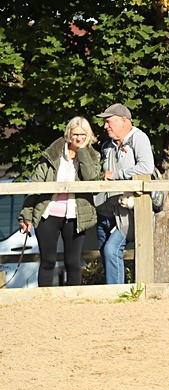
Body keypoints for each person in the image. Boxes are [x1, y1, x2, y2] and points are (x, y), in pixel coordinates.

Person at [18, 118, 103, 286]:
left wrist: (82, 151)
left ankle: (73, 303)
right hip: (48, 213)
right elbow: (35, 185)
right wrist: (25, 216)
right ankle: (46, 300)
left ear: (89, 136)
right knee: (48, 261)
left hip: (75, 215)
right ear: (68, 134)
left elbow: (91, 179)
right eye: (75, 134)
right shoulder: (52, 155)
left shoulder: (93, 155)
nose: (78, 138)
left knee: (73, 263)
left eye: (83, 134)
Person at [93, 103, 155, 284]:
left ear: (123, 121)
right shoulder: (107, 146)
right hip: (106, 209)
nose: (105, 126)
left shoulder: (139, 138)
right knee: (105, 250)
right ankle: (114, 289)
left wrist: (116, 176)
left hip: (129, 211)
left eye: (108, 122)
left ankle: (117, 292)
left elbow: (146, 167)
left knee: (112, 249)